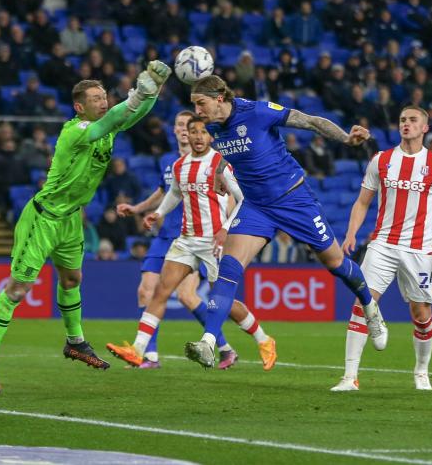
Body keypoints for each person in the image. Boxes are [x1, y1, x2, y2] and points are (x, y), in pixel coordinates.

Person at [0, 61, 171, 396]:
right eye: (96, 98)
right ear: (79, 106)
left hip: (72, 218)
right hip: (44, 217)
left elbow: (134, 114)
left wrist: (154, 88)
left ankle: (75, 343)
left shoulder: (108, 126)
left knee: (72, 280)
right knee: (19, 288)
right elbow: (117, 116)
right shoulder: (75, 131)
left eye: (105, 96)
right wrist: (137, 92)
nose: (103, 101)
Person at [183, 76, 387, 369]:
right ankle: (208, 342)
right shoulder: (214, 126)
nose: (197, 111)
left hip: (294, 200)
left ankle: (369, 307)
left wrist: (344, 138)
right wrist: (220, 172)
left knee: (336, 263)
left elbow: (310, 120)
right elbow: (234, 152)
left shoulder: (258, 111)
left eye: (200, 103)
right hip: (256, 206)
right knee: (228, 267)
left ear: (218, 98)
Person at [107, 118, 275, 371]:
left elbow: (242, 200)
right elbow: (175, 193)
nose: (197, 136)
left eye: (203, 132)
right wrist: (159, 213)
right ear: (187, 135)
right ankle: (138, 350)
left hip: (213, 242)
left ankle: (263, 339)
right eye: (193, 132)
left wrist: (225, 229)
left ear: (210, 137)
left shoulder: (220, 164)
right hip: (185, 240)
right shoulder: (179, 166)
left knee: (224, 302)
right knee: (161, 291)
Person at [331, 105, 432, 392]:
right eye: (403, 120)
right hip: (383, 245)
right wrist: (351, 232)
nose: (406, 124)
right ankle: (349, 377)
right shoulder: (382, 160)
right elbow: (363, 201)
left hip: (418, 251)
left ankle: (421, 372)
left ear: (424, 127)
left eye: (413, 120)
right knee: (362, 304)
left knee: (421, 315)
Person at [111, 111, 197, 368]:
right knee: (145, 291)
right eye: (179, 124)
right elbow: (162, 192)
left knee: (187, 297)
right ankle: (149, 356)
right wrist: (138, 209)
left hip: (190, 237)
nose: (182, 129)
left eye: (187, 125)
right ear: (173, 130)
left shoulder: (205, 160)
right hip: (164, 235)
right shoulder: (168, 161)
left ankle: (224, 347)